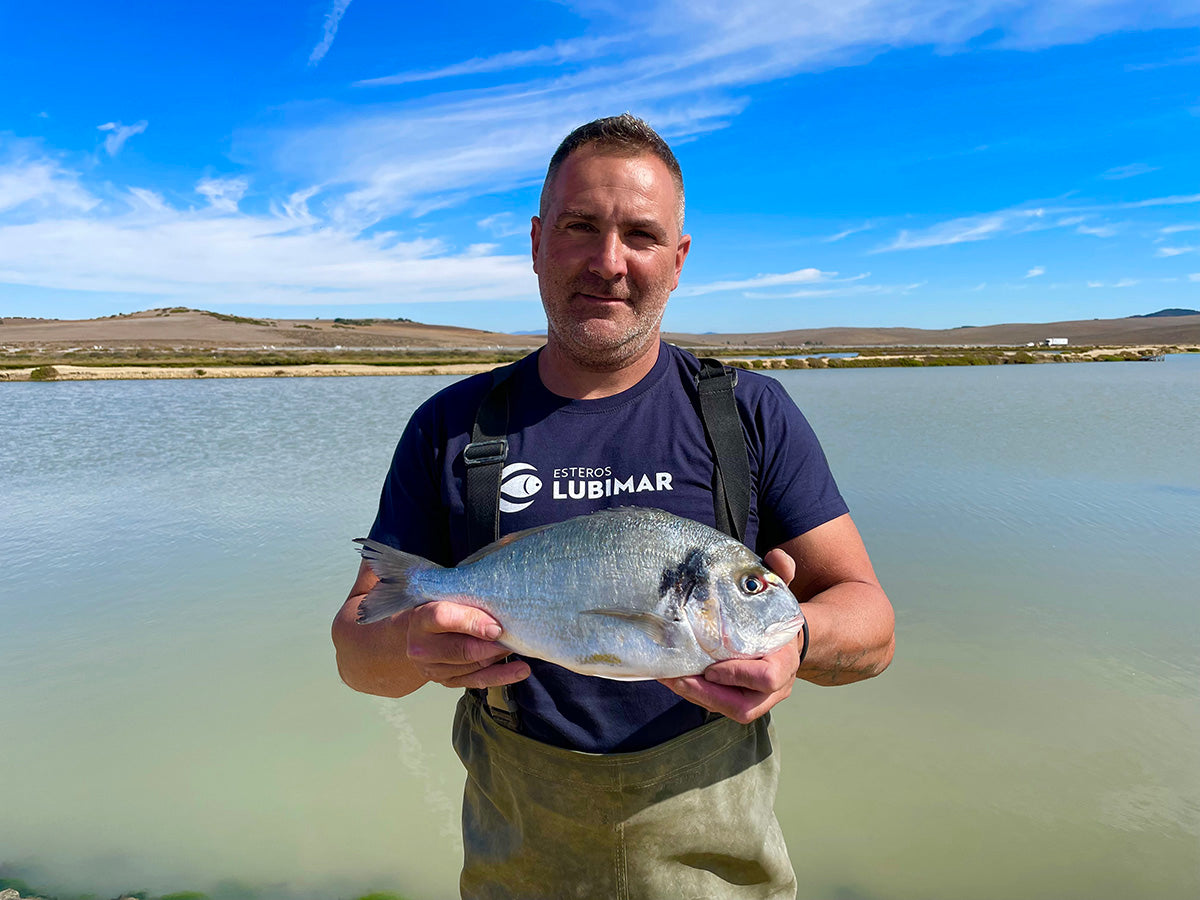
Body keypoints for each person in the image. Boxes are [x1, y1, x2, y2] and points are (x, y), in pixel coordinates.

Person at [332, 114, 895, 899]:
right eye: (579, 227)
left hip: (720, 865)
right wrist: (413, 644)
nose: (609, 262)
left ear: (679, 258)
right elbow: (358, 655)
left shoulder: (750, 415)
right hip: (518, 859)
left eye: (640, 234)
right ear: (536, 242)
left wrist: (796, 645)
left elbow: (872, 625)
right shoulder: (451, 426)